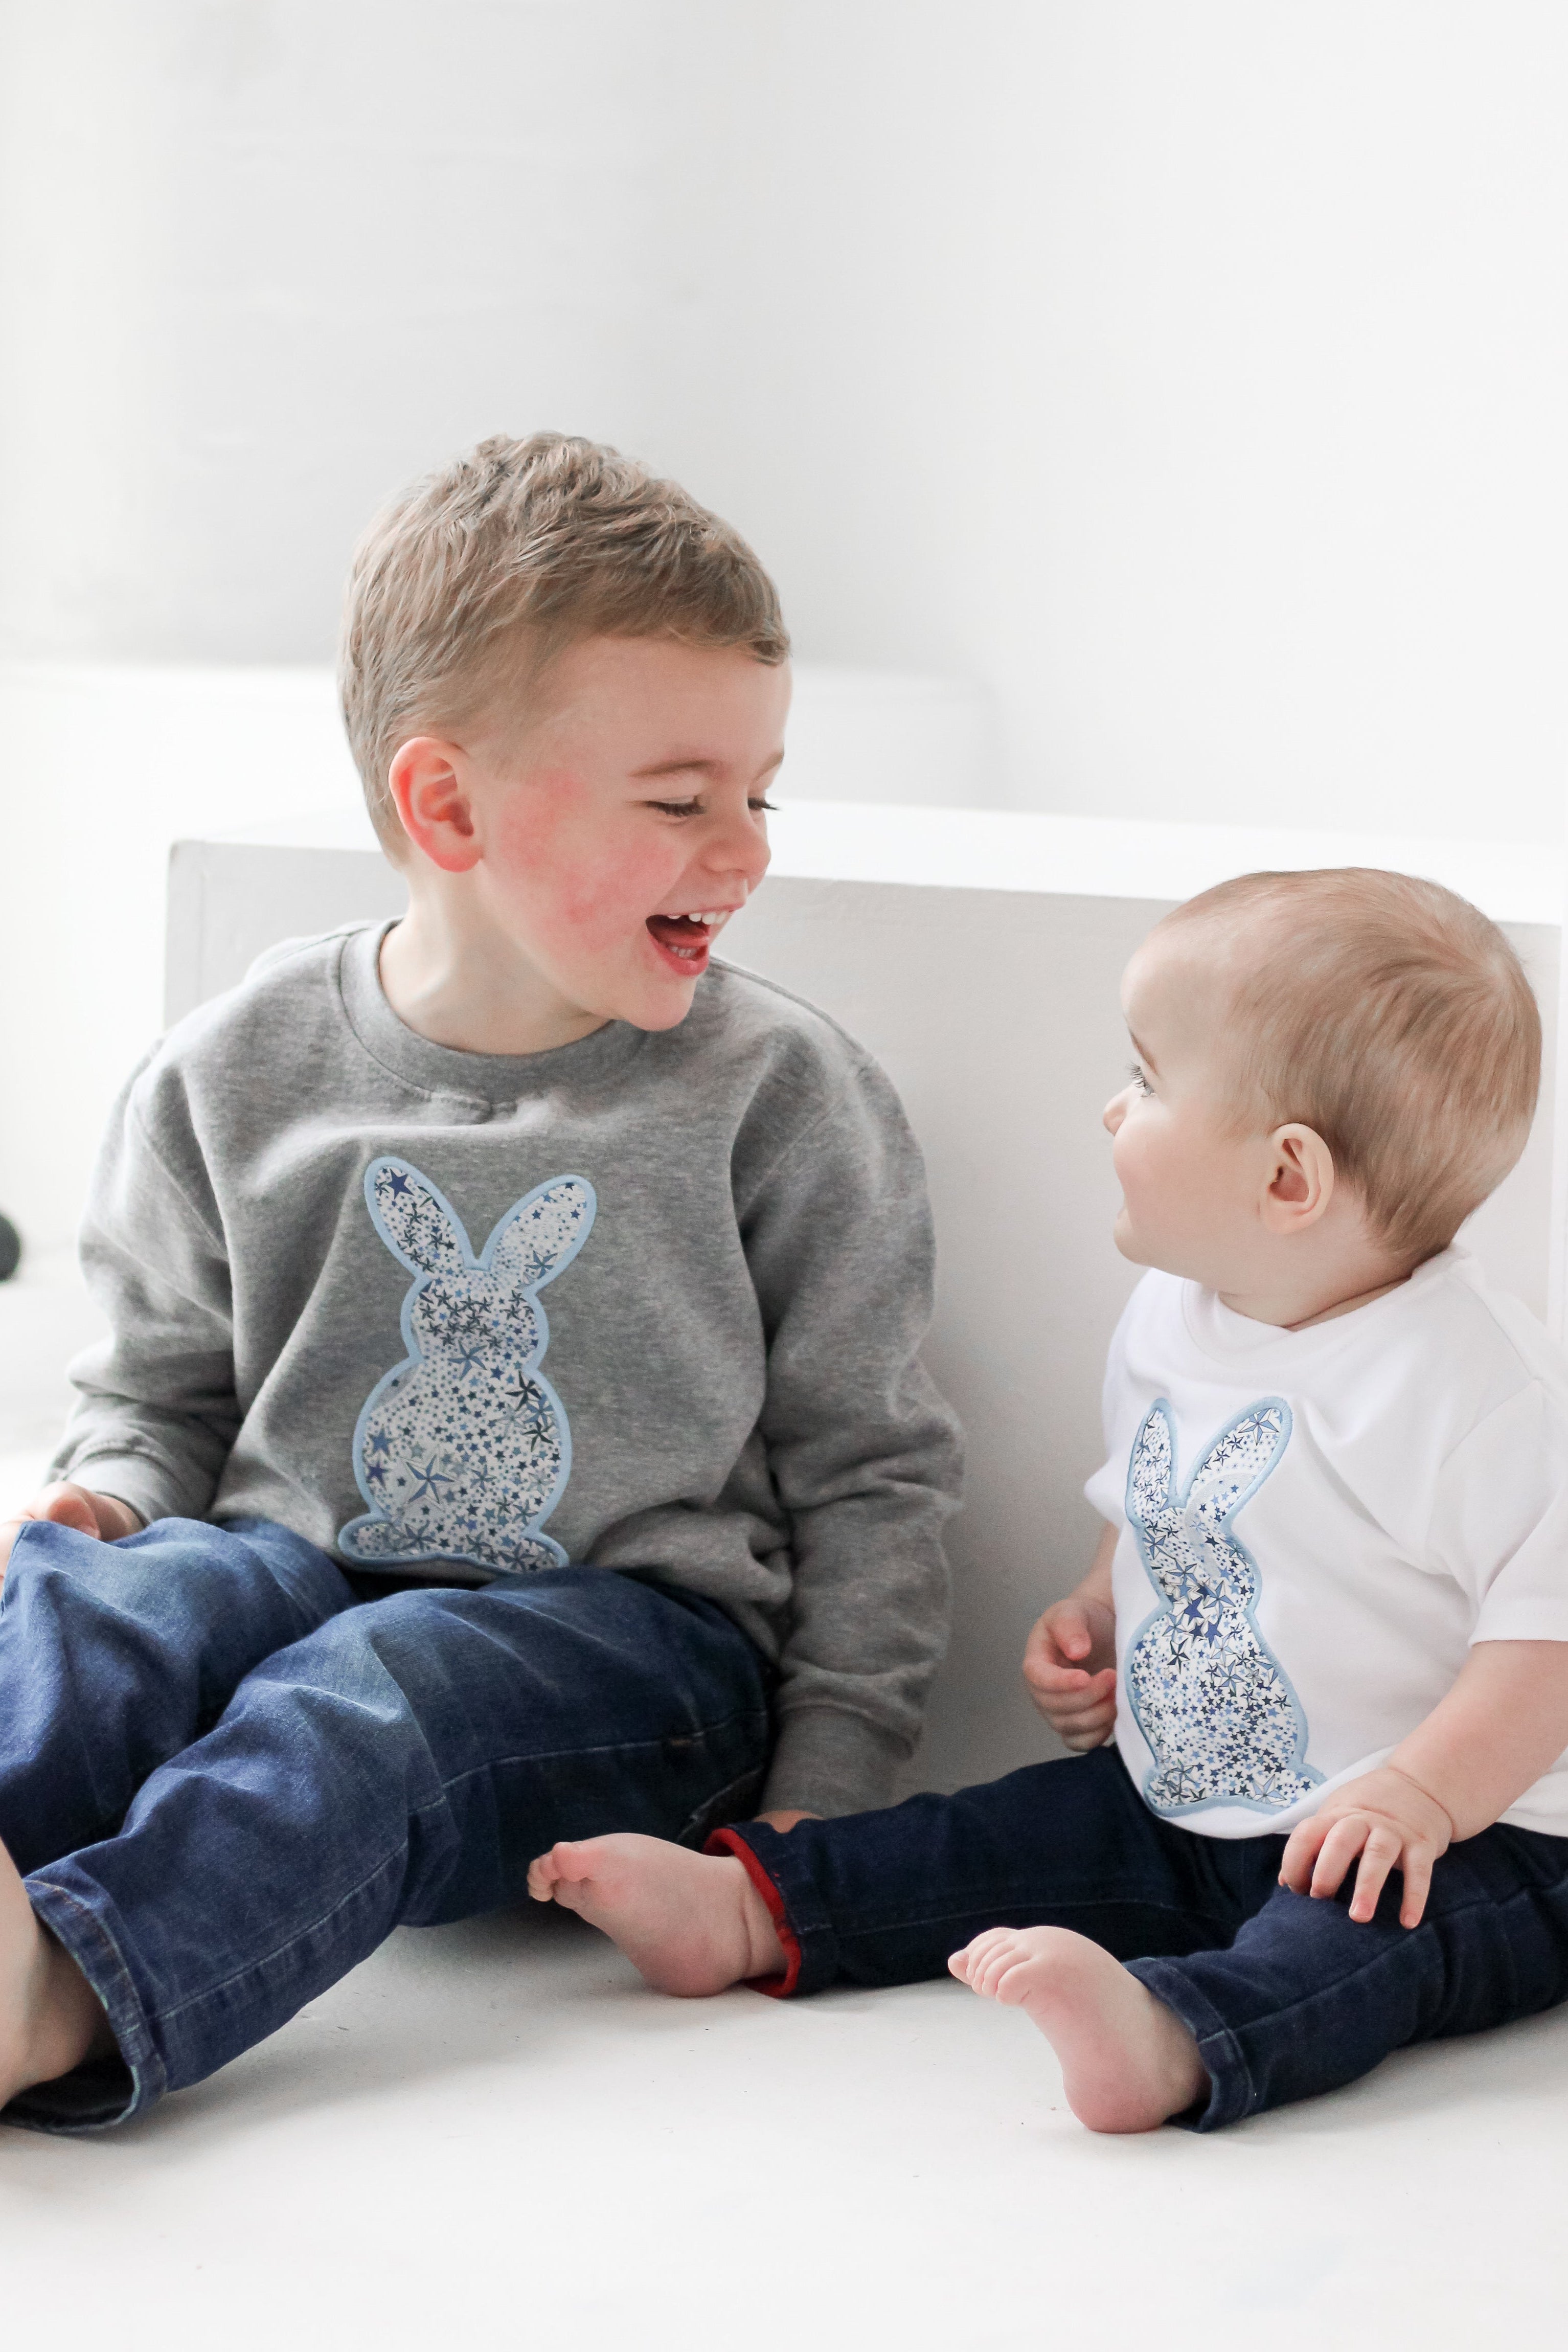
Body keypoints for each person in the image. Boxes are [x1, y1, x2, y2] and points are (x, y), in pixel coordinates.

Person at [0, 432, 962, 2131]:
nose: (742, 850)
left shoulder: (777, 1095)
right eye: (679, 801)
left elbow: (870, 1472)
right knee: (110, 1604)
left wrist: (819, 1810)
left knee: (380, 1689)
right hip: (296, 1571)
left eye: (757, 794)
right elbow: (158, 1393)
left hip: (632, 1657)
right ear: (448, 805)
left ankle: (65, 1998)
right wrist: (114, 1498)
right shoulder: (233, 1068)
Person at [529, 867, 1568, 2132]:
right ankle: (755, 1907)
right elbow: (1158, 1500)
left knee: (1358, 1945)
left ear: (1287, 1177)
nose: (1111, 1107)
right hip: (1179, 1800)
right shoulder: (1180, 1312)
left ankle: (1180, 2037)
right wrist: (1097, 1608)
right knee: (995, 1833)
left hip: (1466, 1840)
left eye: (1148, 1080)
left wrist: (1418, 1796)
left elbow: (1546, 1646)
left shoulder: (1479, 1391)